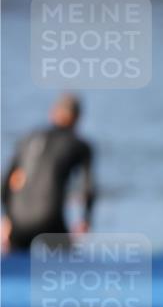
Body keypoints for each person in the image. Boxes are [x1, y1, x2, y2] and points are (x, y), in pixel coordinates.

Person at [1, 93, 96, 252]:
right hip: (50, 220)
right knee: (67, 269)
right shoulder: (80, 145)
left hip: (18, 220)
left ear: (53, 113)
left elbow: (5, 183)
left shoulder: (27, 139)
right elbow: (88, 189)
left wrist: (7, 218)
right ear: (77, 118)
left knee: (16, 267)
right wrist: (85, 219)